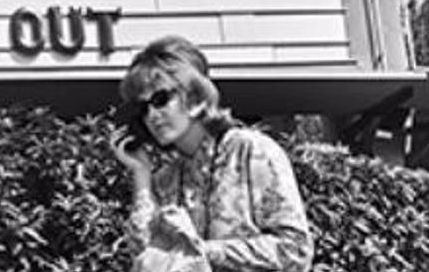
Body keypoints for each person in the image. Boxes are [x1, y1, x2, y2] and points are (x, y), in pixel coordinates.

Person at [109, 36, 314, 272]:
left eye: (161, 99)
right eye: (143, 108)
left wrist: (201, 252)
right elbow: (144, 255)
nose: (152, 115)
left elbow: (295, 251)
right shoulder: (165, 179)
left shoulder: (249, 150)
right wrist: (141, 176)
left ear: (195, 96)